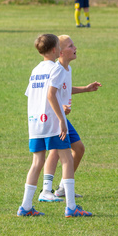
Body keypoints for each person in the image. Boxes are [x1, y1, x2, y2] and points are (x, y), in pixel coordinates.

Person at [17, 34, 91, 217]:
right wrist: (60, 119)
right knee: (66, 160)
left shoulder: (35, 70)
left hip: (35, 123)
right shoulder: (56, 69)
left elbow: (33, 95)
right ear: (53, 50)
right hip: (51, 123)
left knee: (37, 163)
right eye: (59, 46)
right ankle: (71, 207)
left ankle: (25, 207)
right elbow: (50, 94)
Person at [40, 35, 102, 203]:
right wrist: (61, 109)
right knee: (55, 151)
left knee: (79, 149)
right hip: (56, 118)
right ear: (60, 52)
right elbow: (50, 94)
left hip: (62, 118)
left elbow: (65, 90)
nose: (75, 47)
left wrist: (86, 89)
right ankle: (46, 189)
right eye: (71, 45)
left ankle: (62, 189)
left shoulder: (67, 69)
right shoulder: (57, 69)